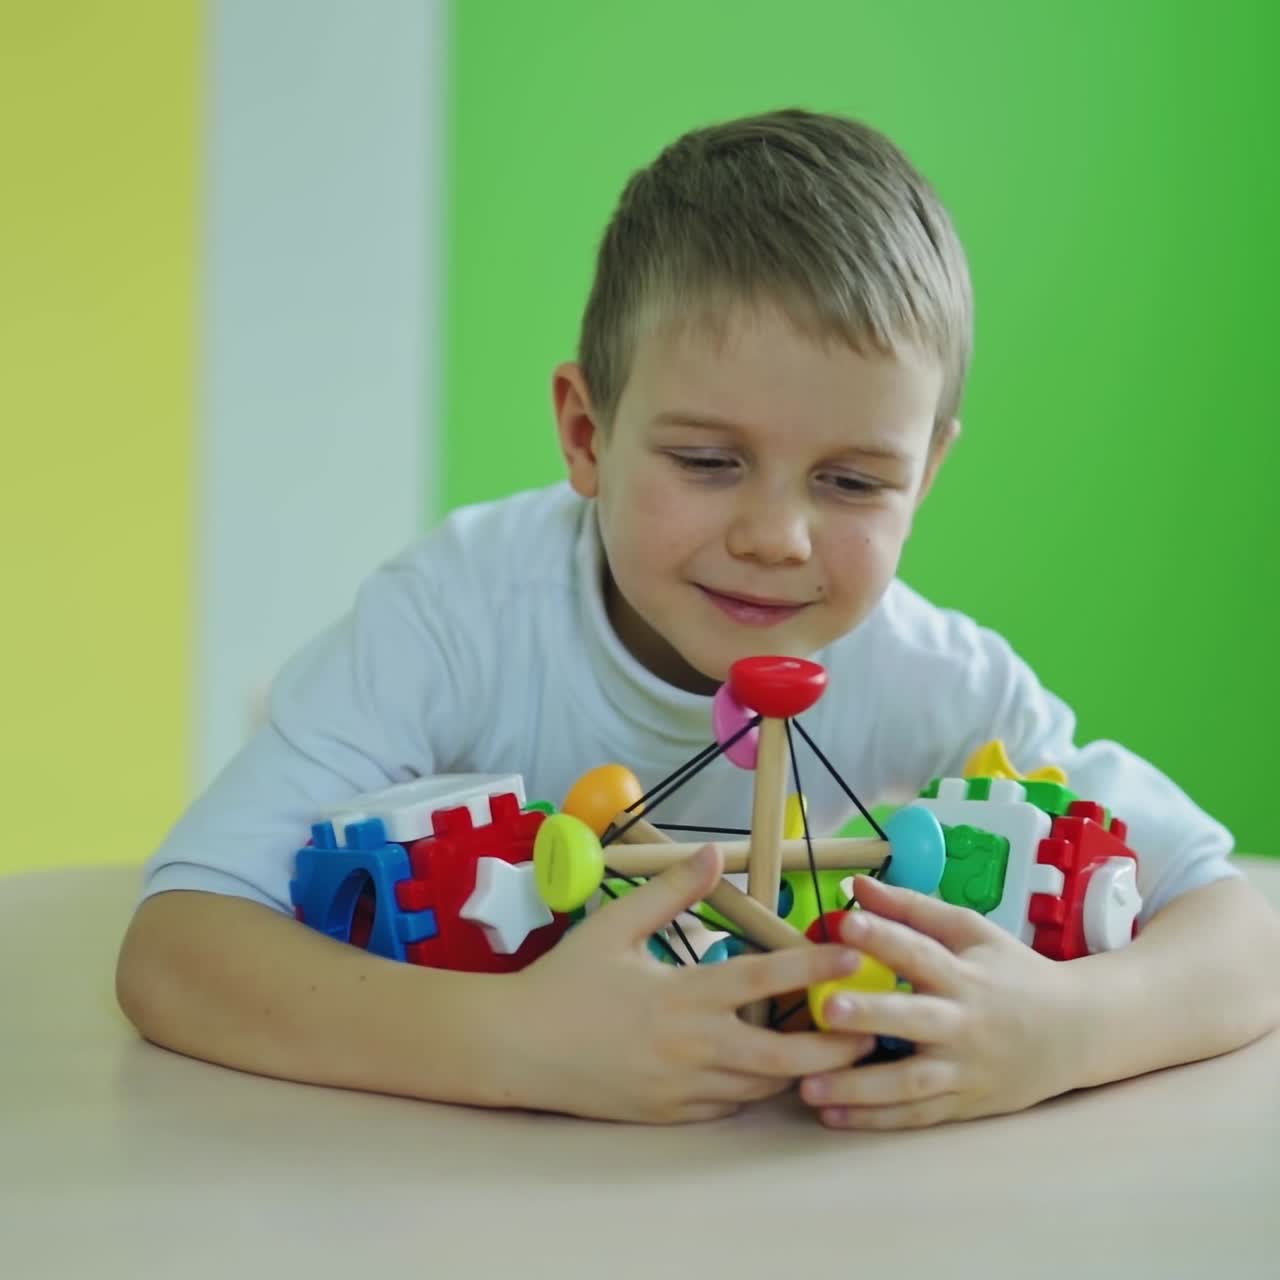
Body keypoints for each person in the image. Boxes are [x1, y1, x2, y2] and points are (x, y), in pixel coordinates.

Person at [116, 109, 1279, 1129]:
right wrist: (517, 1043)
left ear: (925, 474)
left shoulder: (939, 679)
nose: (776, 535)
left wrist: (1065, 1027)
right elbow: (176, 950)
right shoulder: (453, 615)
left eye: (852, 481)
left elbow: (1239, 930)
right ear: (584, 433)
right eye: (708, 459)